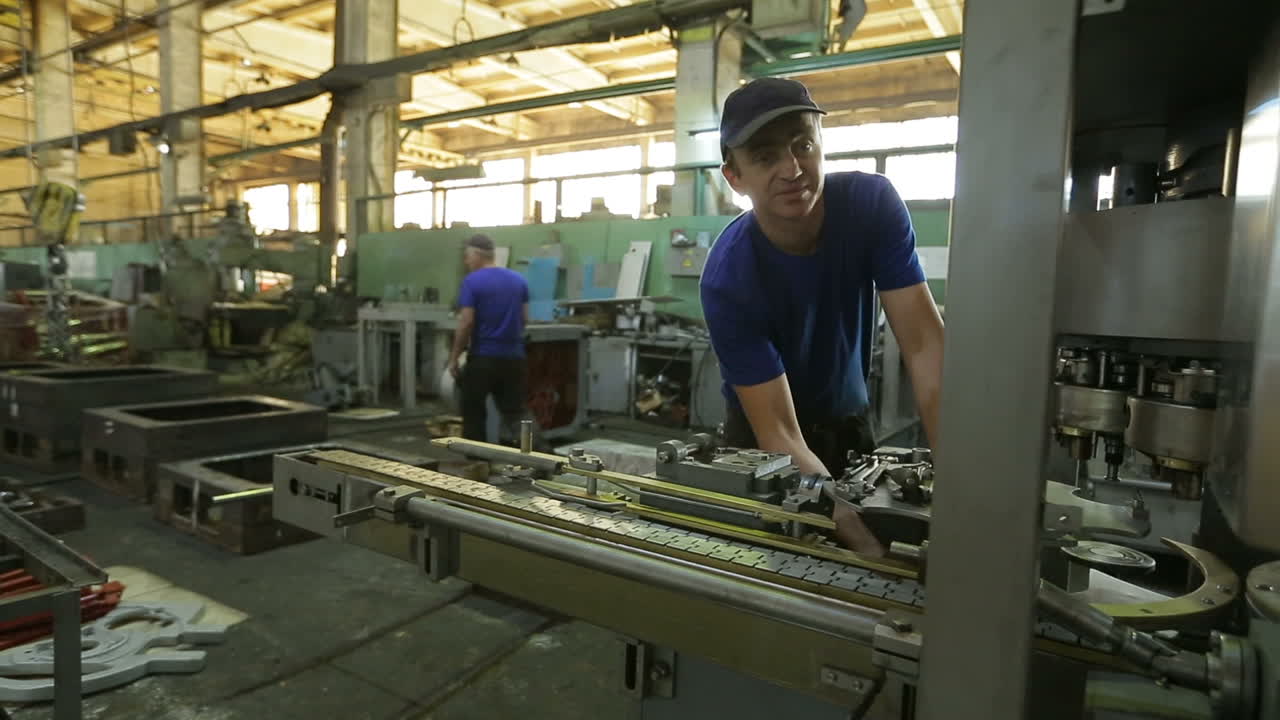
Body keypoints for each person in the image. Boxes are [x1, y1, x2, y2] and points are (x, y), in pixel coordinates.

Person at [699, 78, 945, 556]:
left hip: (851, 427)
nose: (792, 169)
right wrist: (860, 542)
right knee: (790, 568)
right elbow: (780, 433)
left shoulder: (872, 207)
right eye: (766, 157)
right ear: (735, 177)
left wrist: (960, 487)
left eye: (803, 145)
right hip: (765, 444)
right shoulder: (728, 278)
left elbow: (925, 348)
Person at [447, 234, 530, 443]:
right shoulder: (519, 280)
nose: (466, 262)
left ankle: (476, 464)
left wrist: (454, 357)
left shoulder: (472, 282)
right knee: (515, 413)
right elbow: (525, 319)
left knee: (473, 412)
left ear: (476, 255)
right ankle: (540, 457)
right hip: (514, 359)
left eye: (467, 256)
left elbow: (466, 323)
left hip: (483, 359)